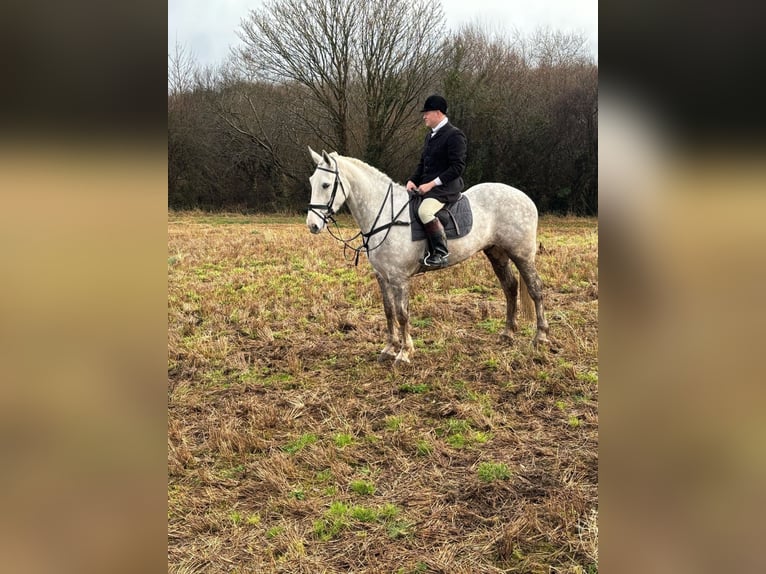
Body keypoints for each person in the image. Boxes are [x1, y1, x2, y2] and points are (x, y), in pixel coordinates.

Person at [406, 94, 467, 268]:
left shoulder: (455, 135)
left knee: (425, 211)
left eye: (427, 112)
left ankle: (441, 253)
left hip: (446, 189)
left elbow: (457, 168)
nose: (424, 116)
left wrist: (432, 184)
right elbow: (422, 164)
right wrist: (412, 180)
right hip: (428, 187)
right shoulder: (430, 136)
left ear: (438, 113)